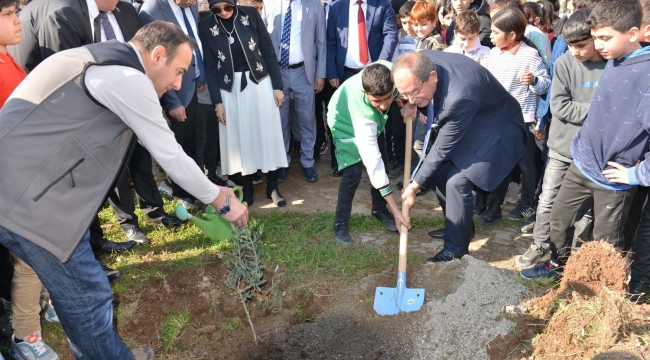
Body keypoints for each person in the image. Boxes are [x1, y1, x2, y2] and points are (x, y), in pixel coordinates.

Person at [0, 21, 248, 359]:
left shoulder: (102, 61)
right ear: (157, 54)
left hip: (26, 195)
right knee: (89, 299)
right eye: (178, 71)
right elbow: (171, 156)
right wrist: (222, 202)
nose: (177, 83)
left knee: (80, 298)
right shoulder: (125, 77)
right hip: (29, 203)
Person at [521, 0, 649, 280]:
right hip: (582, 163)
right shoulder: (615, 60)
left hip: (613, 178)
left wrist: (635, 173)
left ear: (632, 33)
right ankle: (558, 267)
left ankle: (600, 292)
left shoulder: (645, 75)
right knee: (558, 219)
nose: (599, 45)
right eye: (596, 38)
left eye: (605, 38)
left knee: (606, 242)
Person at [395, 51, 527, 262]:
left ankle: (456, 248)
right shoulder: (418, 62)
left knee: (457, 182)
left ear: (432, 76)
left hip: (496, 129)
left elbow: (440, 150)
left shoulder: (460, 95)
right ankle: (459, 227)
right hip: (472, 120)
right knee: (438, 173)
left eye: (415, 92)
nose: (410, 99)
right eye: (404, 94)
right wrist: (412, 103)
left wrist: (413, 186)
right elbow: (415, 92)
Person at [515, 9, 605, 270]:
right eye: (570, 45)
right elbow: (561, 107)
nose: (576, 51)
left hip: (594, 152)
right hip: (562, 148)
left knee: (586, 209)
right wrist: (599, 109)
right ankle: (540, 244)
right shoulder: (565, 62)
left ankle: (573, 254)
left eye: (581, 46)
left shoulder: (612, 65)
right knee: (548, 199)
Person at [0, 2, 60, 359]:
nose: (18, 19)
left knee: (45, 249)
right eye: (7, 14)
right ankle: (25, 338)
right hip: (15, 179)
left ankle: (51, 304)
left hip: (29, 173)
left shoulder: (7, 59)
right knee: (29, 258)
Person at [199, 0, 288, 207]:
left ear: (234, 3)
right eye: (216, 9)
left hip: (260, 83)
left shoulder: (250, 15)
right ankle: (247, 189)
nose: (223, 13)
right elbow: (211, 67)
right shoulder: (206, 26)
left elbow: (267, 50)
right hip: (230, 89)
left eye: (227, 7)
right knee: (240, 136)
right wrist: (217, 103)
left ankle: (272, 186)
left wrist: (277, 86)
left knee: (267, 133)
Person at [478, 7, 551, 227]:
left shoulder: (529, 55)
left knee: (525, 164)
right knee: (499, 162)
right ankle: (494, 206)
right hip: (496, 118)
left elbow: (546, 83)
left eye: (495, 32)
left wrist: (534, 81)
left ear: (512, 35)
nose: (490, 36)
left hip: (521, 120)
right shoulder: (492, 54)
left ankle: (528, 202)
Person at [327, 62, 409, 246]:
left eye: (386, 99)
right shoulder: (364, 118)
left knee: (384, 158)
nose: (382, 105)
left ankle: (379, 209)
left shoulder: (392, 72)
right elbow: (373, 164)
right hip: (344, 121)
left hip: (371, 120)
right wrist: (397, 210)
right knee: (353, 172)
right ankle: (340, 224)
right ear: (366, 94)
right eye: (376, 101)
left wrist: (407, 103)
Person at [139, 0, 204, 209]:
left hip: (193, 86)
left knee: (194, 143)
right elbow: (156, 66)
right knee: (177, 146)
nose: (196, 2)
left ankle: (198, 189)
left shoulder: (190, 6)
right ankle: (181, 192)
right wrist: (172, 102)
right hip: (173, 93)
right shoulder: (150, 12)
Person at [262, 0, 327, 184]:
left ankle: (307, 162)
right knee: (280, 120)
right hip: (278, 72)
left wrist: (321, 74)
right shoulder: (270, 4)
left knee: (307, 118)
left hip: (303, 72)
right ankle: (283, 163)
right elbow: (263, 40)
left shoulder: (315, 5)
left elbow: (321, 41)